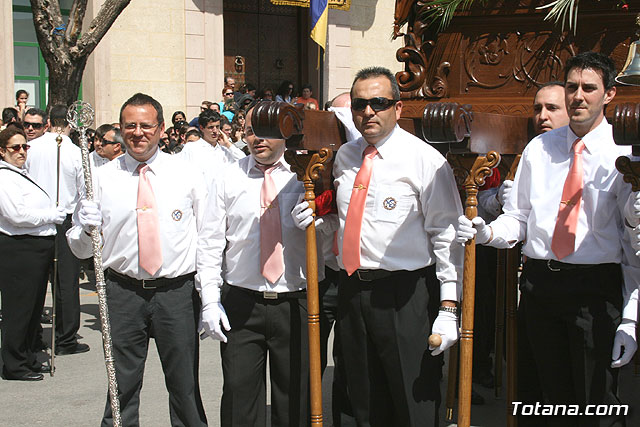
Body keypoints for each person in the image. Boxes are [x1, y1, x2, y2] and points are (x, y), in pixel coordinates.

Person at [457, 52, 640, 427]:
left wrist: (631, 316)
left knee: (595, 403)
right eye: (572, 87)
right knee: (543, 400)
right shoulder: (540, 149)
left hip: (594, 288)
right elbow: (519, 218)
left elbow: (632, 241)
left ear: (609, 94)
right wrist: (488, 233)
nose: (578, 96)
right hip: (540, 285)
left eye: (589, 88)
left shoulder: (624, 152)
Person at [328, 67, 464, 425]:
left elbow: (446, 236)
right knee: (363, 398)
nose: (369, 112)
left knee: (411, 400)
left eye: (379, 103)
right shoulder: (345, 157)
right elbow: (342, 220)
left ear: (398, 108)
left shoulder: (425, 161)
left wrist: (449, 308)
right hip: (353, 291)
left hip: (405, 295)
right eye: (360, 104)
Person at [66, 93, 208, 426]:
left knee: (185, 387)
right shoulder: (99, 178)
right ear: (120, 130)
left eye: (146, 125)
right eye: (130, 126)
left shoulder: (185, 174)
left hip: (177, 293)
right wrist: (86, 229)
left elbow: (207, 236)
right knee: (121, 388)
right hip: (122, 292)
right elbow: (80, 249)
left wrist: (210, 293)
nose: (138, 132)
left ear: (161, 129)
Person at [197, 103, 323, 426]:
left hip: (295, 303)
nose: (258, 139)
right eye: (251, 131)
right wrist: (210, 300)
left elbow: (336, 223)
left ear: (285, 131)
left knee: (296, 397)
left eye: (267, 130)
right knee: (239, 399)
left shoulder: (307, 173)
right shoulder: (227, 176)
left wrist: (320, 219)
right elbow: (210, 242)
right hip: (242, 303)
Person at [0, 124, 66, 381]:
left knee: (33, 309)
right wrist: (50, 215)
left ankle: (26, 356)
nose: (21, 151)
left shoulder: (18, 173)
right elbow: (16, 215)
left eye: (24, 146)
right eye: (15, 147)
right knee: (20, 310)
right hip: (20, 250)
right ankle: (14, 365)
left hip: (35, 249)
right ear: (2, 151)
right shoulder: (4, 176)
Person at [26, 104, 88, 356]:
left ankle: (32, 336)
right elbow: (85, 192)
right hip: (62, 219)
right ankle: (65, 338)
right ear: (71, 124)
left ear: (49, 122)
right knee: (65, 283)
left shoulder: (32, 148)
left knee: (36, 281)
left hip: (36, 219)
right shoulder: (75, 152)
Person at [180, 109, 245, 188]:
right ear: (201, 128)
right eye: (211, 127)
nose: (215, 131)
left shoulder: (225, 150)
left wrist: (228, 144)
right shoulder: (191, 148)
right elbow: (184, 176)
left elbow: (244, 161)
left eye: (217, 127)